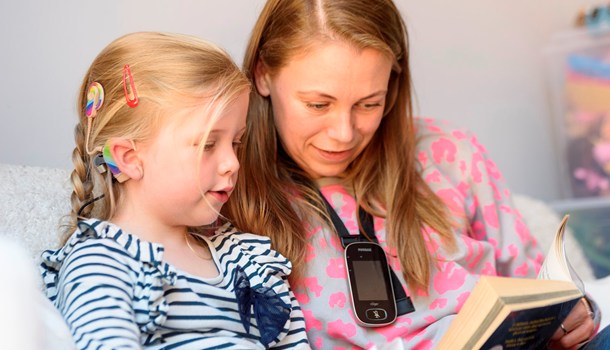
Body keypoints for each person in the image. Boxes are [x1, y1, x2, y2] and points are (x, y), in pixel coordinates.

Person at [223, 0, 610, 348]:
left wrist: (572, 314)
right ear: (262, 75)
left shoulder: (450, 153)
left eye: (368, 104)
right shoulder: (227, 188)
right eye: (318, 104)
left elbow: (538, 287)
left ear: (392, 84)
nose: (344, 132)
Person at [40, 32, 309, 349]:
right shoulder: (101, 264)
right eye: (208, 144)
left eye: (237, 142)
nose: (233, 163)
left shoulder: (248, 259)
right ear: (129, 159)